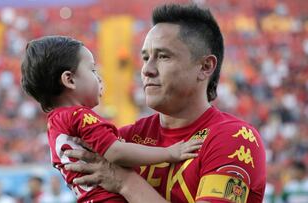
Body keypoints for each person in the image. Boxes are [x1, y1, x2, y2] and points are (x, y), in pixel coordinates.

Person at [63, 3, 266, 203]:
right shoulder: (124, 141)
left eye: (163, 56)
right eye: (145, 58)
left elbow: (121, 181)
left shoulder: (235, 139)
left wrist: (125, 182)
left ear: (205, 66)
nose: (147, 70)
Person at [20, 36, 202, 202]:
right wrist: (169, 153)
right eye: (92, 69)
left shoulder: (55, 123)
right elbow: (116, 152)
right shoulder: (79, 116)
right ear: (70, 80)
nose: (98, 77)